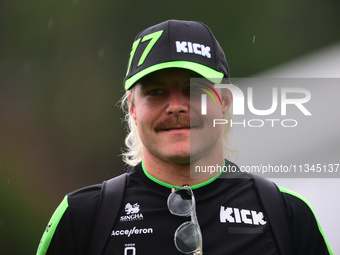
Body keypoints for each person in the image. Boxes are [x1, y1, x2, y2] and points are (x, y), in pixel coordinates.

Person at [36, 19, 333, 255]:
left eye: (194, 89)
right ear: (133, 108)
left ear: (225, 103)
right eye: (156, 92)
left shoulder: (287, 216)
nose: (176, 105)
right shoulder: (82, 218)